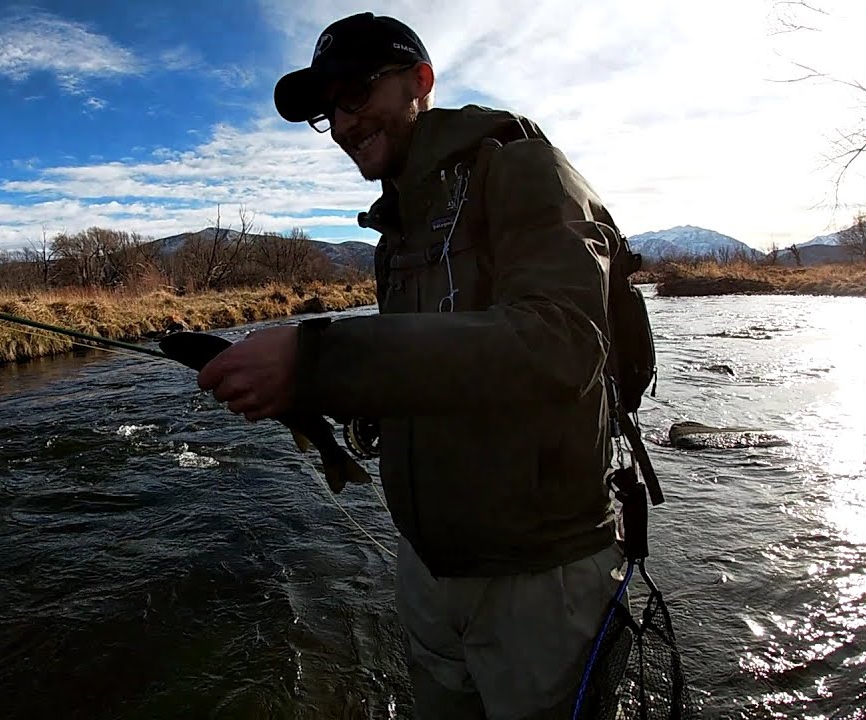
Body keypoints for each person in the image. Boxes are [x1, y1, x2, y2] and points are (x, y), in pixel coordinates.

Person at [196, 11, 627, 720]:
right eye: (329, 109)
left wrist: (317, 357)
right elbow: (425, 368)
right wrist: (313, 392)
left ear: (419, 82)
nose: (342, 123)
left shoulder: (523, 168)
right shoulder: (394, 232)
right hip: (426, 566)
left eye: (355, 93)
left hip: (540, 575)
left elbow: (563, 345)